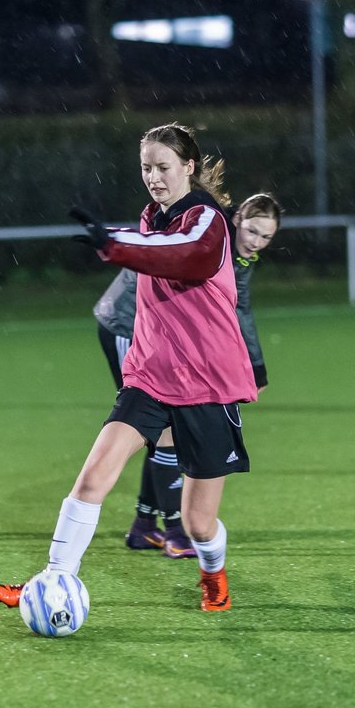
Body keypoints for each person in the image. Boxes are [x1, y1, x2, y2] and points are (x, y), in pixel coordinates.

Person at [0, 122, 256, 612]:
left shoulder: (209, 220)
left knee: (198, 523)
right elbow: (148, 241)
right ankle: (50, 580)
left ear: (189, 167)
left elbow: (185, 256)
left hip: (207, 383)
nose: (154, 177)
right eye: (145, 168)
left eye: (163, 167)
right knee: (93, 478)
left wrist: (112, 241)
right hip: (153, 378)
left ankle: (213, 574)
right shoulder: (151, 219)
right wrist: (117, 236)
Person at [93, 193, 282, 558]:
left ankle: (145, 525)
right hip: (127, 324)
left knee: (164, 431)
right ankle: (176, 531)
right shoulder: (211, 233)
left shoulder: (238, 249)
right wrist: (254, 365)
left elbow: (236, 306)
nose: (256, 242)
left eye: (265, 238)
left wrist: (254, 365)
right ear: (238, 218)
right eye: (253, 231)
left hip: (162, 337)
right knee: (160, 429)